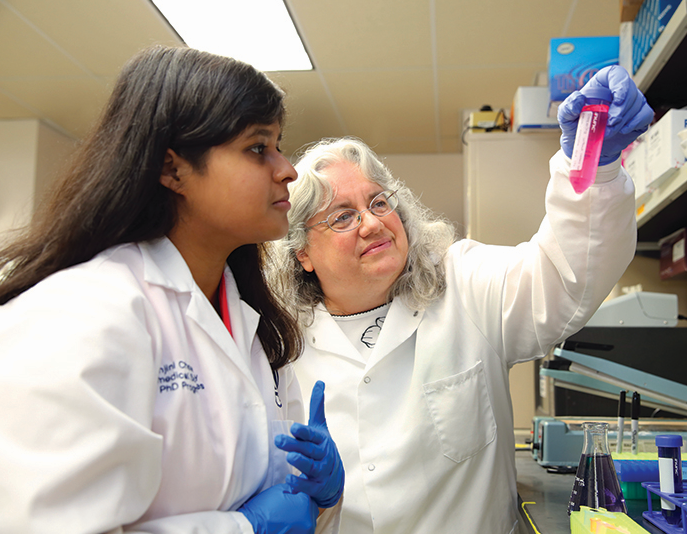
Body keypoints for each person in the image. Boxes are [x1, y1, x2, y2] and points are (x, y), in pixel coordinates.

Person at [268, 65, 653, 534]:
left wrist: (595, 167)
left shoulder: (463, 281)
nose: (371, 223)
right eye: (343, 217)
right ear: (303, 252)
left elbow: (563, 277)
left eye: (378, 203)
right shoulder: (280, 342)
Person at [0, 45, 344, 534]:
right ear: (172, 169)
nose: (287, 169)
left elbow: (278, 501)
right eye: (257, 147)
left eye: (278, 145)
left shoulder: (249, 323)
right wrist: (245, 530)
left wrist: (323, 494)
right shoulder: (81, 315)